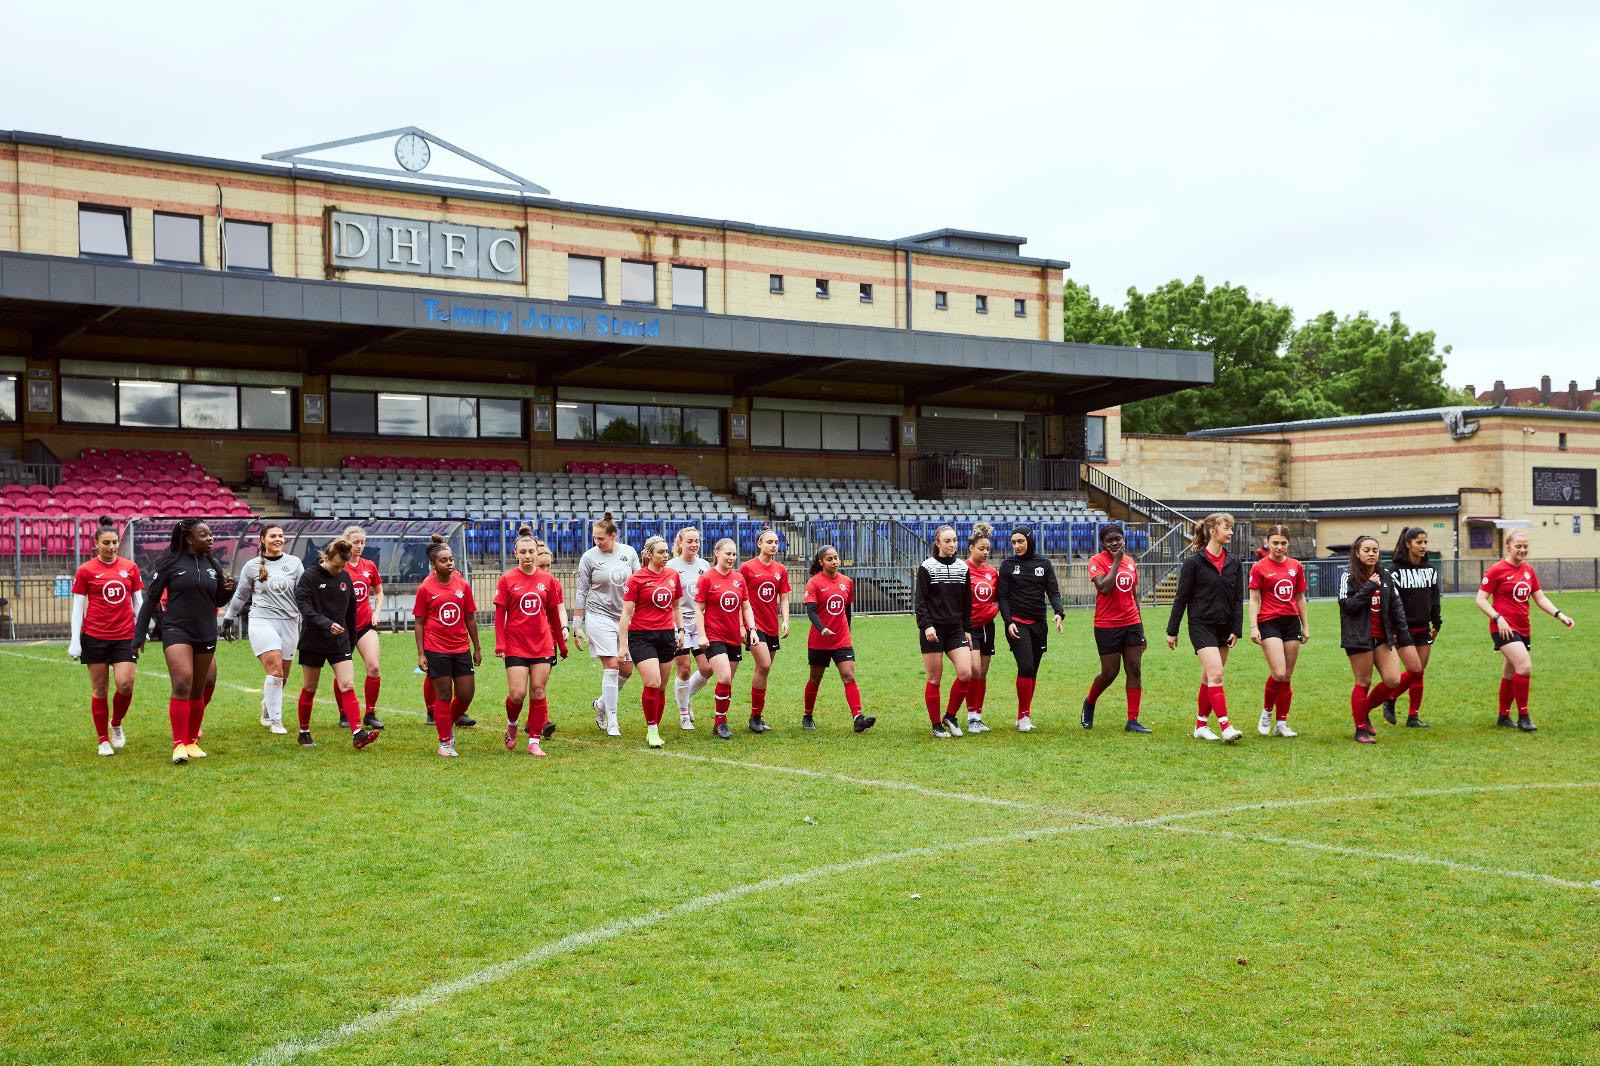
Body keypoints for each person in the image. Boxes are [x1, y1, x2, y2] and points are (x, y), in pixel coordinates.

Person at [133, 518, 236, 764]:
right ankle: (178, 744)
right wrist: (139, 634)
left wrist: (228, 589)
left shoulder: (213, 564)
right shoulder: (169, 563)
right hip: (177, 629)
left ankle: (191, 741)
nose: (210, 538)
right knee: (183, 682)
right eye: (204, 534)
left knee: (199, 688)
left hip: (206, 631)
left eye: (211, 534)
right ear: (190, 539)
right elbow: (150, 600)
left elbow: (218, 600)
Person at [1475, 528, 1574, 731]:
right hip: (1503, 628)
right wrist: (1498, 617)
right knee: (1524, 667)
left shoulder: (1528, 570)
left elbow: (1539, 597)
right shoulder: (1496, 570)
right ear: (1508, 546)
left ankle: (1503, 716)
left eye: (1525, 546)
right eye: (1518, 546)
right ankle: (1523, 716)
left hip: (1523, 628)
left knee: (1510, 672)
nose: (1522, 550)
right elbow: (1480, 599)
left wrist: (1559, 614)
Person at [293, 538, 380, 750]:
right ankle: (304, 732)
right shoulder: (310, 576)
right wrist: (325, 623)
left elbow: (351, 612)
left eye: (342, 567)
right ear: (326, 558)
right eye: (336, 566)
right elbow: (303, 605)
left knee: (347, 685)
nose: (339, 570)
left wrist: (349, 642)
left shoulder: (345, 578)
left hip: (339, 641)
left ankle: (358, 733)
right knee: (310, 687)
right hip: (313, 640)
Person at [1165, 513, 1245, 743]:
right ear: (1213, 531)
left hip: (1224, 627)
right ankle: (1225, 726)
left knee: (1209, 677)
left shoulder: (1235, 563)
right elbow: (1181, 598)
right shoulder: (1193, 562)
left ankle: (1201, 725)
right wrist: (1172, 630)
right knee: (1217, 674)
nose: (1230, 532)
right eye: (1226, 528)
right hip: (1200, 625)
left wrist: (1235, 629)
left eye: (1231, 528)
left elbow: (1237, 599)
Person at [68, 518, 144, 755]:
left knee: (126, 684)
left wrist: (142, 631)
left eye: (115, 542)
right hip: (95, 637)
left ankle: (116, 723)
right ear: (96, 544)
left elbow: (138, 602)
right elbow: (78, 608)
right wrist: (74, 641)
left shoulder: (130, 567)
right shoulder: (86, 570)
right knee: (100, 689)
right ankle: (102, 740)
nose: (112, 547)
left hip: (125, 636)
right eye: (106, 543)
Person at [221, 523, 304, 737]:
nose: (278, 539)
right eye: (273, 536)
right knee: (275, 670)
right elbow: (241, 595)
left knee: (283, 676)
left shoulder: (294, 563)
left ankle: (267, 705)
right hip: (262, 621)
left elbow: (304, 594)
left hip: (290, 622)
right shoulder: (252, 565)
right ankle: (276, 720)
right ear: (262, 539)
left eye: (281, 536)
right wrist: (228, 618)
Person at [494, 526, 566, 757]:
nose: (527, 555)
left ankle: (534, 740)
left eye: (531, 551)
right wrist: (500, 644)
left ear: (537, 553)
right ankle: (512, 724)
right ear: (516, 553)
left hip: (542, 644)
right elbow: (499, 615)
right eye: (523, 551)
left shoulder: (549, 581)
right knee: (517, 694)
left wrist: (562, 646)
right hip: (516, 644)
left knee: (538, 690)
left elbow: (554, 615)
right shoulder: (507, 580)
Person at [1338, 536, 1413, 744]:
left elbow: (1396, 604)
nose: (1371, 554)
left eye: (1375, 550)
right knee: (1364, 681)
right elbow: (1347, 605)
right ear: (1357, 553)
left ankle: (1364, 711)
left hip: (1383, 636)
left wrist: (1403, 636)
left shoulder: (1385, 575)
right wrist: (1369, 587)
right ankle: (1360, 729)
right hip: (1358, 637)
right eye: (1367, 550)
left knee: (1393, 680)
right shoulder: (1348, 576)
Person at [414, 534, 482, 757]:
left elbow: (470, 617)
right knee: (443, 695)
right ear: (433, 564)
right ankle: (444, 743)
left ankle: (447, 724)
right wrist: (422, 653)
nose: (449, 563)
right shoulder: (426, 588)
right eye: (444, 560)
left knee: (466, 694)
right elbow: (420, 622)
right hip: (436, 649)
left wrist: (477, 647)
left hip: (461, 647)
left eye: (451, 559)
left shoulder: (462, 585)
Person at [573, 511, 639, 737]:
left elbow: (639, 582)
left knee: (626, 670)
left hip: (624, 617)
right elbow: (582, 590)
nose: (597, 542)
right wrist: (577, 624)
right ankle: (612, 720)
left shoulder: (629, 553)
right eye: (594, 538)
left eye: (601, 538)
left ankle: (601, 704)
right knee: (611, 666)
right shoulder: (589, 557)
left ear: (613, 536)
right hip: (598, 615)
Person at [1083, 523, 1151, 734]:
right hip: (1107, 625)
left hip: (1131, 623)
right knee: (1110, 672)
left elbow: (1133, 595)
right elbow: (1104, 588)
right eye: (1109, 540)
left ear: (1123, 539)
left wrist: (1141, 628)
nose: (1114, 543)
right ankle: (1090, 702)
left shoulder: (1131, 562)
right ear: (1103, 543)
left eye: (1117, 539)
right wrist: (1116, 562)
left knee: (1135, 669)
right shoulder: (1096, 561)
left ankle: (1132, 720)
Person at [994, 526, 1063, 732]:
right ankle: (1024, 717)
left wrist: (1059, 612)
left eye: (1020, 541)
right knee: (1026, 666)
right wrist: (1009, 621)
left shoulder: (1044, 563)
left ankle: (1021, 715)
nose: (1016, 546)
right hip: (1017, 623)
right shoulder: (1007, 565)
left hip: (1039, 624)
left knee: (1033, 670)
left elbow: (1053, 591)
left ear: (1029, 541)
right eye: (1013, 542)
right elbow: (1003, 596)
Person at [618, 535, 684, 749]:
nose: (666, 555)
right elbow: (626, 614)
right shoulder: (636, 579)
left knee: (662, 686)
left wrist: (680, 630)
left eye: (667, 552)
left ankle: (656, 726)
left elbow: (675, 607)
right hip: (642, 636)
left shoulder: (673, 575)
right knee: (653, 682)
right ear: (649, 555)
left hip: (666, 635)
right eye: (661, 552)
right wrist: (623, 644)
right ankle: (652, 729)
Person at [802, 545, 875, 733]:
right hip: (819, 640)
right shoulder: (814, 583)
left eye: (836, 558)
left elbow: (847, 610)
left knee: (848, 676)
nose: (834, 562)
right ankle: (807, 716)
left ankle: (858, 717)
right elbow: (810, 611)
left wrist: (847, 631)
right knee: (815, 679)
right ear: (821, 562)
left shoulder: (847, 582)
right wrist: (822, 628)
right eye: (829, 559)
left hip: (842, 640)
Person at [1246, 523, 1309, 738]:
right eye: (1275, 543)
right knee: (1279, 672)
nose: (1279, 547)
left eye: (1283, 543)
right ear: (1267, 543)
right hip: (1269, 622)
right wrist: (1253, 626)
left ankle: (1282, 723)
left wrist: (1305, 625)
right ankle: (1266, 712)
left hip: (1291, 622)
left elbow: (1300, 597)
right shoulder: (1259, 567)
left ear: (1288, 544)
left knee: (1288, 676)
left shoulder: (1296, 566)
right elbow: (1254, 600)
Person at [693, 537, 758, 740]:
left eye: (734, 554)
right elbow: (698, 608)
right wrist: (702, 635)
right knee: (724, 677)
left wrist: (751, 629)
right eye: (728, 554)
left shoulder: (739, 578)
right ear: (717, 553)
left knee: (727, 682)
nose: (731, 558)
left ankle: (720, 719)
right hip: (714, 636)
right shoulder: (707, 578)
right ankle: (720, 722)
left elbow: (745, 605)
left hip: (733, 636)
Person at [914, 524, 973, 739]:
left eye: (955, 540)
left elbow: (967, 602)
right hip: (933, 629)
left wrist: (967, 628)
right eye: (947, 541)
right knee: (934, 678)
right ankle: (936, 724)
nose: (952, 544)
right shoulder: (927, 567)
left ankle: (950, 715)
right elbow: (920, 602)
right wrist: (927, 625)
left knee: (967, 672)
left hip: (956, 629)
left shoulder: (962, 568)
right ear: (938, 543)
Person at [1382, 527, 1441, 728]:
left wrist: (1437, 623)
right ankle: (1389, 698)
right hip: (1403, 629)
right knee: (1414, 670)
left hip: (1423, 627)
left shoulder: (1430, 570)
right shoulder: (1394, 570)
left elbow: (1434, 598)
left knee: (1419, 672)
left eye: (1425, 542)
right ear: (1408, 544)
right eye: (1419, 542)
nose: (1423, 546)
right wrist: (1394, 630)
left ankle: (1413, 716)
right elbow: (1389, 603)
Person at [738, 526, 789, 733]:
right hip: (754, 626)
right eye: (769, 542)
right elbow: (740, 598)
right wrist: (743, 626)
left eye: (776, 542)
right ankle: (754, 717)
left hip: (771, 626)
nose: (773, 545)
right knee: (765, 664)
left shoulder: (780, 569)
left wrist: (786, 620)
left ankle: (756, 717)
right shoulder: (747, 568)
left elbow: (783, 597)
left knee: (763, 670)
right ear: (759, 544)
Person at [953, 523, 999, 733]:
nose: (985, 552)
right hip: (969, 628)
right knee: (974, 670)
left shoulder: (992, 573)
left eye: (988, 549)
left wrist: (994, 609)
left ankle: (978, 716)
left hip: (987, 628)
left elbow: (998, 599)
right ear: (971, 547)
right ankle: (971, 717)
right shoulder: (962, 569)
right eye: (981, 548)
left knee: (983, 672)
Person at [667, 526, 714, 730]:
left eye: (696, 541)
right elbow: (670, 600)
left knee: (707, 668)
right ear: (680, 543)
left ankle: (684, 699)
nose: (694, 544)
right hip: (679, 623)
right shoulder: (671, 566)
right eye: (689, 541)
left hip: (699, 623)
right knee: (684, 669)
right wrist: (677, 627)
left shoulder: (704, 565)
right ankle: (684, 715)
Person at [342, 525, 386, 732]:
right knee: (343, 672)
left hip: (365, 625)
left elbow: (378, 592)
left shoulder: (369, 566)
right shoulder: (339, 566)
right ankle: (344, 713)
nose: (360, 546)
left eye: (362, 542)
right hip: (343, 628)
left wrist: (376, 613)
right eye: (356, 542)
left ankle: (370, 713)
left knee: (374, 668)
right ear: (346, 542)